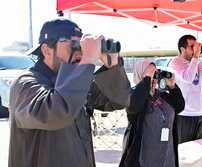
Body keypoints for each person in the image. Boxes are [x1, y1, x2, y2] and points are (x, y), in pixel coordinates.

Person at [8, 19, 130, 167]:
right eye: (74, 46)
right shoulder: (26, 84)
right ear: (46, 50)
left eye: (81, 46)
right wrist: (88, 60)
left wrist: (113, 66)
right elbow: (56, 112)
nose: (80, 51)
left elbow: (118, 100)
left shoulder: (74, 81)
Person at [119, 60, 185, 167]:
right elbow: (133, 106)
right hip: (144, 160)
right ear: (141, 74)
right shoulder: (134, 95)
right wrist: (146, 80)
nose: (153, 77)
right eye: (150, 73)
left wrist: (173, 87)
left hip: (167, 158)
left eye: (155, 73)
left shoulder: (162, 95)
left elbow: (180, 106)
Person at [169, 34, 202, 144]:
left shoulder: (195, 63)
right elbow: (188, 78)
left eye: (196, 46)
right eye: (192, 47)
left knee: (197, 152)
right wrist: (196, 57)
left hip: (199, 114)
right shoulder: (176, 62)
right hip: (184, 116)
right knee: (184, 153)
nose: (196, 49)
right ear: (182, 49)